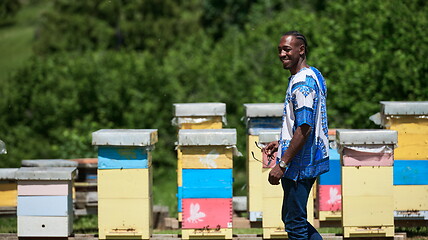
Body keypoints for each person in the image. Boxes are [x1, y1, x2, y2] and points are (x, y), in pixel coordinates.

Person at [262, 31, 329, 240]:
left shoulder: (303, 84)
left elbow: (305, 127)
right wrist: (281, 141)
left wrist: (282, 164)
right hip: (307, 157)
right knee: (293, 218)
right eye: (279, 50)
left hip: (300, 164)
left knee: (295, 223)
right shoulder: (313, 74)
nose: (282, 54)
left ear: (301, 50)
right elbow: (305, 124)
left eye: (287, 49)